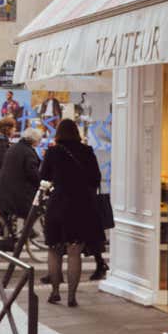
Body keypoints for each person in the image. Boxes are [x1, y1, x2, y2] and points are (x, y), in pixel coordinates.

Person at [39, 119, 102, 307]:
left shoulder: (53, 152)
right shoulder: (87, 151)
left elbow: (43, 176)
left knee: (54, 250)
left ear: (58, 133)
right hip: (80, 205)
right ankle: (72, 297)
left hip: (58, 203)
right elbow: (96, 179)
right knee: (74, 252)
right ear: (76, 132)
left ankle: (55, 292)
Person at [0, 127, 42, 220]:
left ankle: (9, 227)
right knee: (31, 212)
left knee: (5, 220)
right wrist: (41, 183)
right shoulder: (28, 152)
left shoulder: (14, 147)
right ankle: (27, 228)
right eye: (39, 140)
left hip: (1, 190)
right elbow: (32, 173)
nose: (40, 142)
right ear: (34, 140)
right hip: (13, 194)